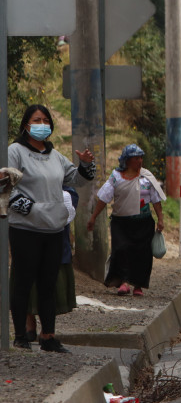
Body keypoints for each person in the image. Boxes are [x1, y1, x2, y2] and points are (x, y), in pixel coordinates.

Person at [8, 104, 96, 352]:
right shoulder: (15, 152)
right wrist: (32, 209)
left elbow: (76, 179)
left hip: (53, 230)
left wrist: (86, 164)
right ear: (26, 124)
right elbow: (6, 185)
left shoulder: (55, 155)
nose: (42, 124)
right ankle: (21, 337)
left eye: (46, 120)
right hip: (25, 229)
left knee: (48, 283)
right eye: (37, 119)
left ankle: (48, 336)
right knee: (23, 282)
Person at [88, 144, 165, 297]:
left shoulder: (147, 177)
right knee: (121, 249)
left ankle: (138, 285)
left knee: (142, 254)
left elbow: (156, 200)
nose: (140, 161)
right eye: (136, 158)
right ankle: (123, 282)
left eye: (141, 158)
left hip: (143, 222)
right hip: (121, 223)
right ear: (127, 160)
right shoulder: (116, 177)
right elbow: (104, 198)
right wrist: (93, 217)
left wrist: (160, 219)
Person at [20, 187, 79, 343]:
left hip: (54, 237)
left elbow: (70, 199)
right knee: (27, 280)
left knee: (48, 285)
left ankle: (47, 332)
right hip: (28, 234)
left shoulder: (65, 189)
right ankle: (28, 325)